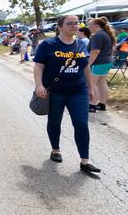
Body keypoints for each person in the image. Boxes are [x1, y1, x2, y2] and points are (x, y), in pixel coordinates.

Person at [33, 16, 100, 174]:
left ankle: (85, 161)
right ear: (60, 26)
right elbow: (38, 66)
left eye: (76, 23)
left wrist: (91, 88)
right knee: (55, 121)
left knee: (81, 123)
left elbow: (85, 68)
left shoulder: (82, 44)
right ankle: (56, 150)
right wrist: (39, 85)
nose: (74, 26)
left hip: (78, 90)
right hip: (56, 90)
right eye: (69, 23)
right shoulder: (48, 45)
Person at [87, 17, 115, 113]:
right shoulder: (106, 34)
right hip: (107, 61)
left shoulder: (97, 36)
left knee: (92, 84)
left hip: (98, 62)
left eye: (89, 25)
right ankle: (102, 104)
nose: (88, 27)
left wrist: (88, 64)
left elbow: (95, 51)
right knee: (102, 83)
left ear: (96, 26)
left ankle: (92, 105)